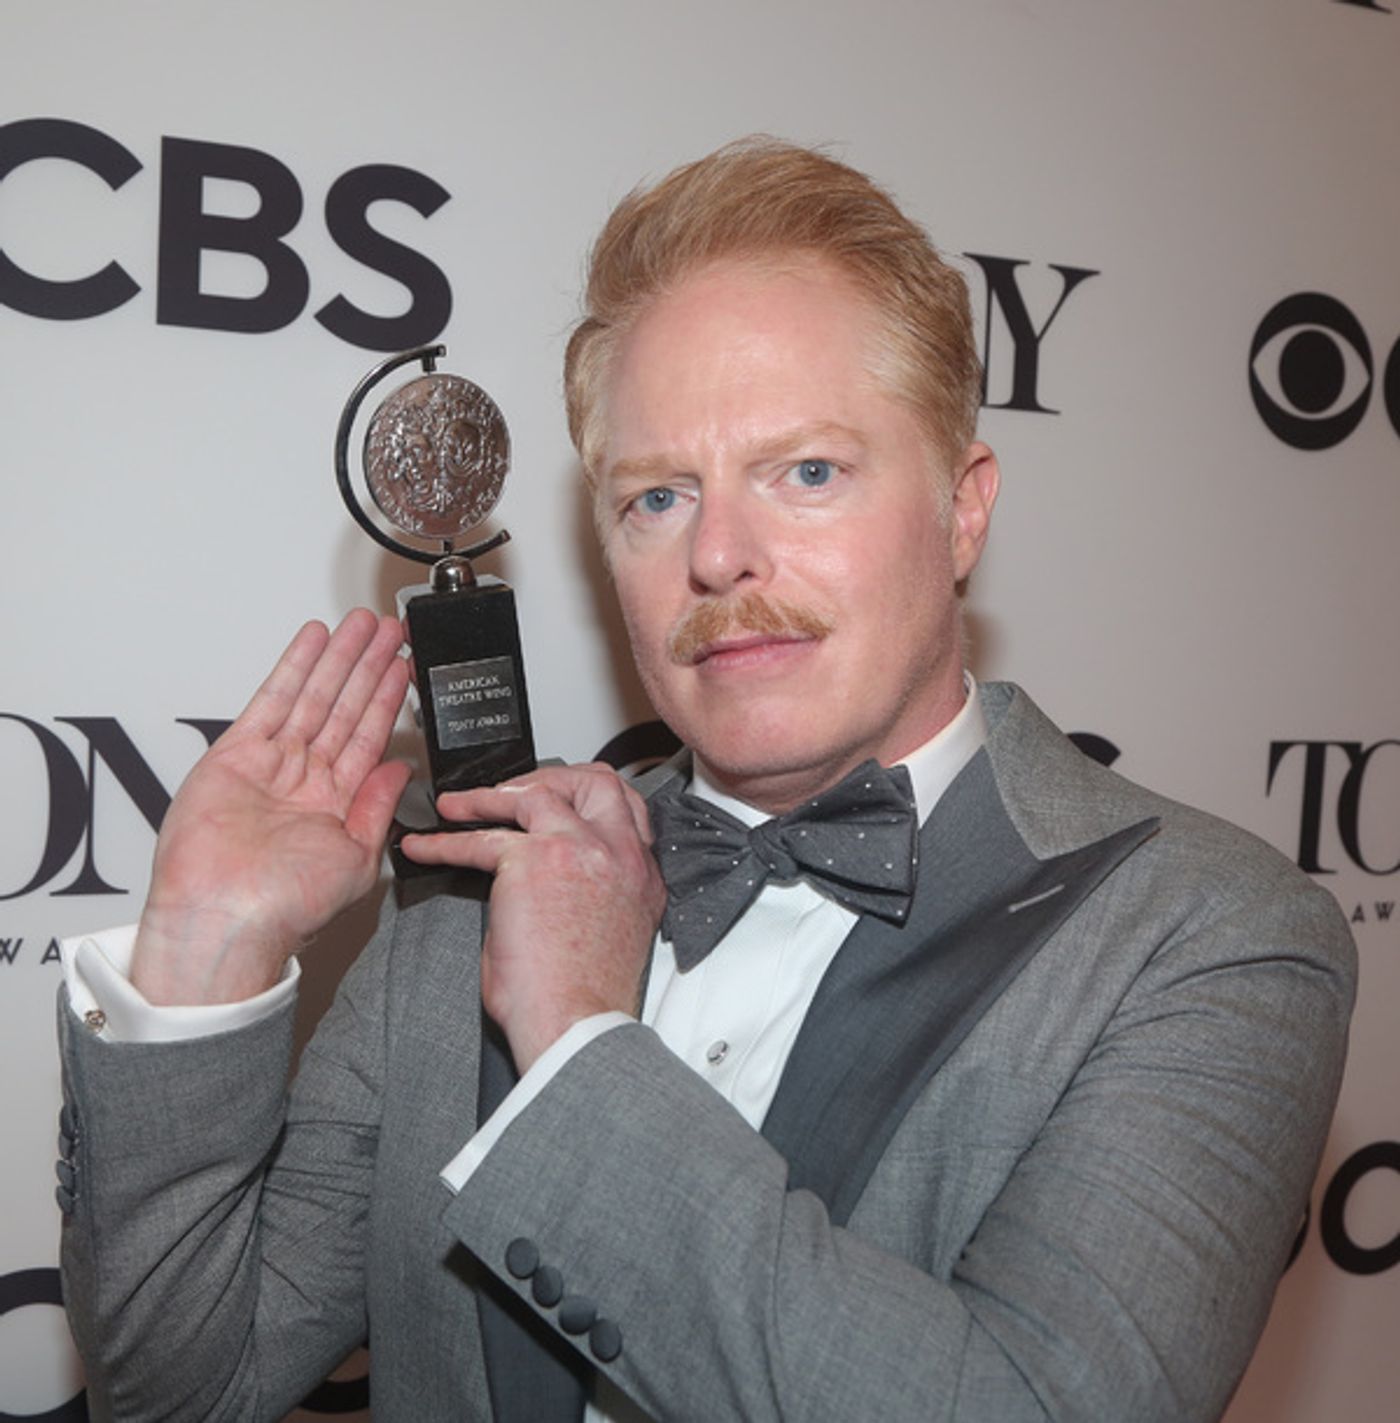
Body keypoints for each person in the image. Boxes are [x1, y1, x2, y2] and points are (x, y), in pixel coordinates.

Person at [57, 138, 1355, 1423]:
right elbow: (188, 1389)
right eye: (659, 496)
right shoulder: (470, 882)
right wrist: (200, 953)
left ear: (962, 510)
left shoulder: (1208, 936)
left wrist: (575, 1046)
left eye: (807, 471)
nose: (722, 553)